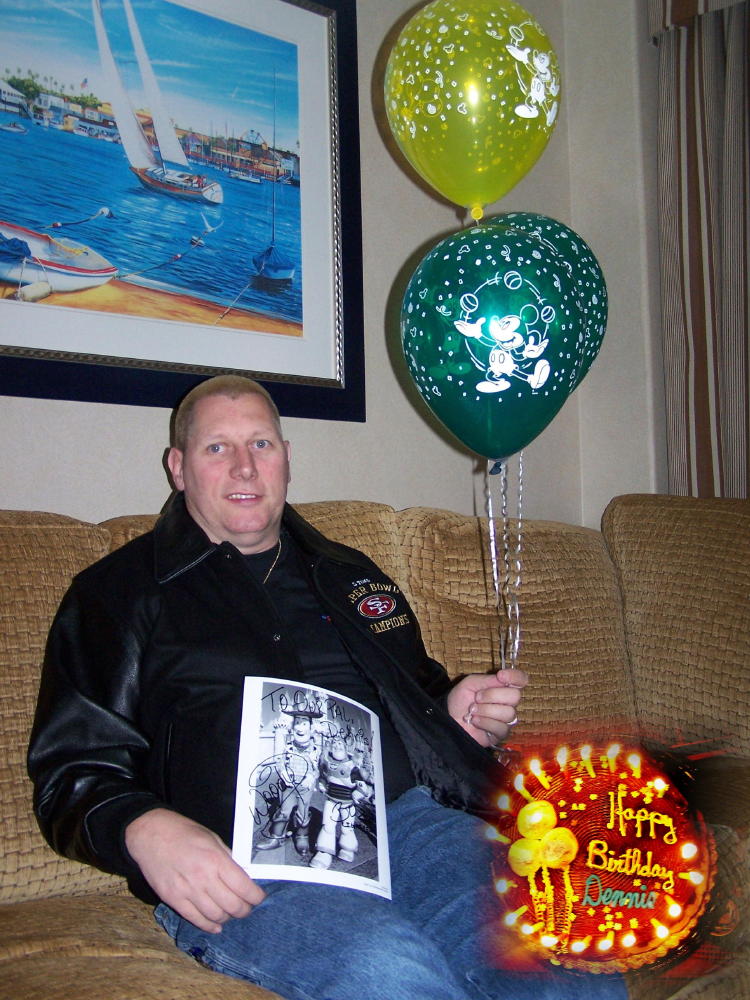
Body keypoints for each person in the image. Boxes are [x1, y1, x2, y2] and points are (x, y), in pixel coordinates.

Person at [28, 375, 622, 1000]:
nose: (244, 466)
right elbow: (72, 769)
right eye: (215, 448)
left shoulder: (349, 573)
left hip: (413, 825)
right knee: (389, 971)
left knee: (555, 954)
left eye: (261, 444)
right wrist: (145, 827)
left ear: (287, 457)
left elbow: (414, 688)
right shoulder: (114, 594)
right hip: (248, 854)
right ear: (178, 468)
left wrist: (450, 710)